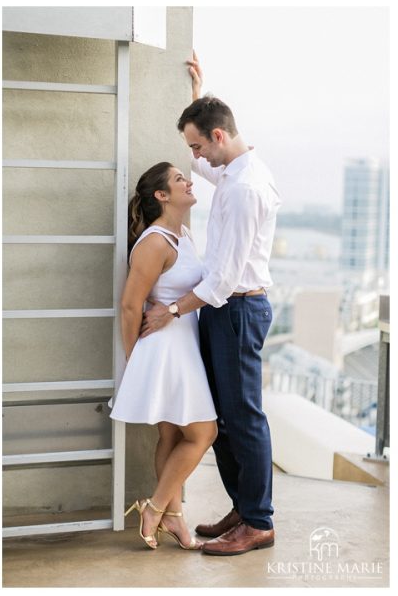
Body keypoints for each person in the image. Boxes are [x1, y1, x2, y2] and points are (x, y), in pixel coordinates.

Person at [140, 52, 281, 556]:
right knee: (221, 418)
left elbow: (222, 280)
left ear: (219, 137)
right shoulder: (232, 169)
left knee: (243, 418)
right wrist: (199, 95)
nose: (195, 159)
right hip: (224, 311)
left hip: (237, 310)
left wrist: (172, 311)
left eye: (199, 144)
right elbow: (204, 160)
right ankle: (244, 506)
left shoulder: (245, 189)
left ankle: (259, 521)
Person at [109, 162, 217, 551]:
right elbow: (129, 306)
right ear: (162, 196)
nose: (188, 182)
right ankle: (154, 508)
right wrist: (133, 361)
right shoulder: (155, 243)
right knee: (204, 432)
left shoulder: (182, 235)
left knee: (172, 435)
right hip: (164, 349)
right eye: (178, 179)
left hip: (183, 343)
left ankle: (175, 519)